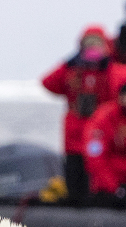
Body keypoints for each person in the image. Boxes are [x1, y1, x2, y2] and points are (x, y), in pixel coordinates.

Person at [41, 26, 115, 200]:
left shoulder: (109, 71)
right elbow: (48, 82)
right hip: (74, 136)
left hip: (99, 136)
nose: (92, 48)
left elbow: (121, 89)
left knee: (96, 177)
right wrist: (69, 62)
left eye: (97, 43)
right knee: (74, 178)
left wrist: (108, 63)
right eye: (88, 43)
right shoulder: (72, 71)